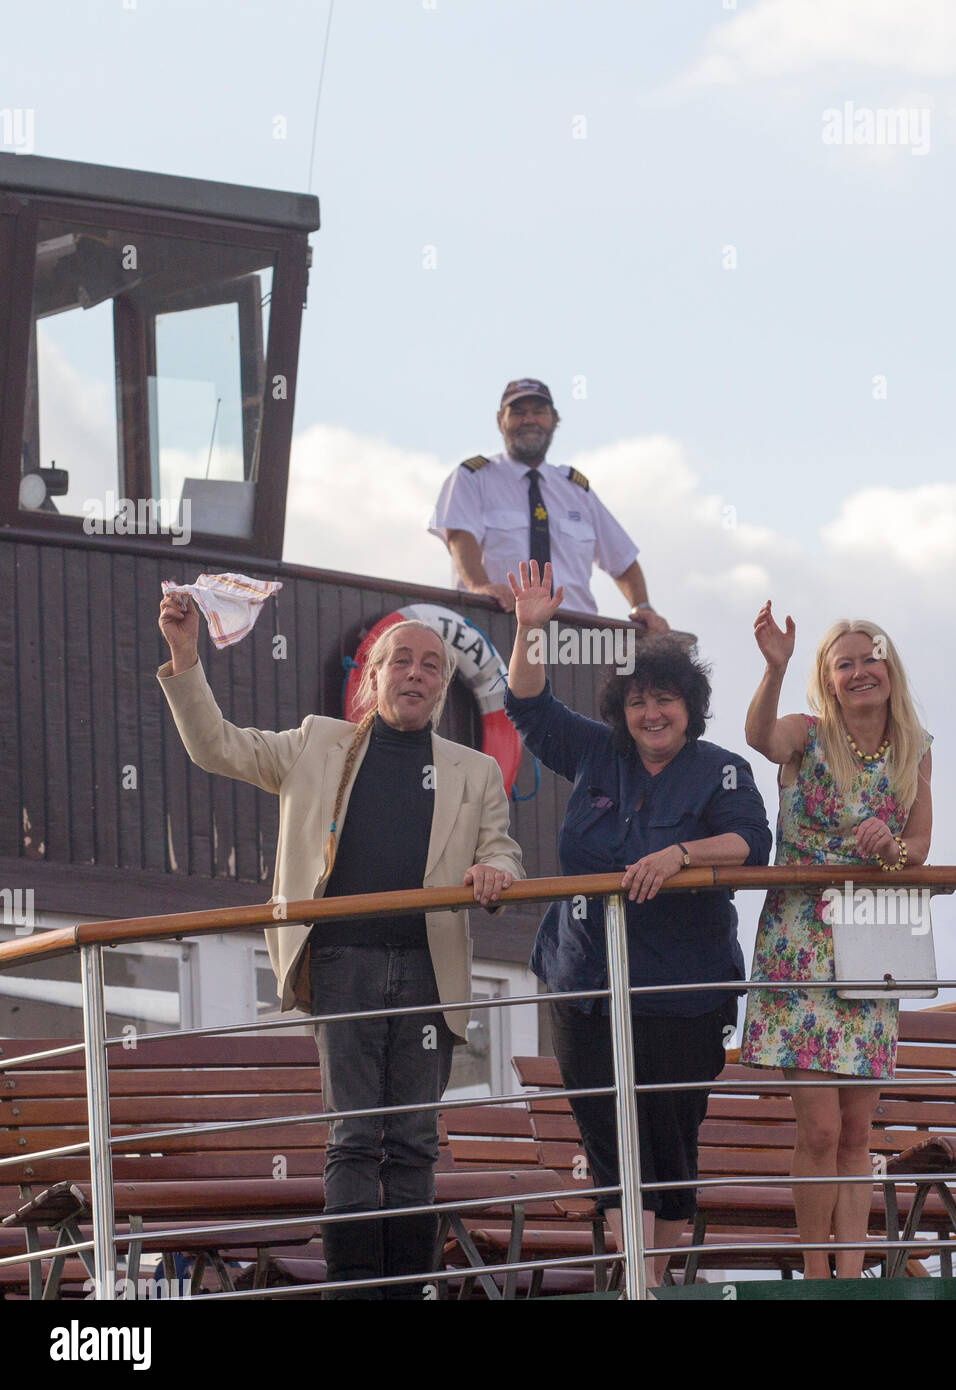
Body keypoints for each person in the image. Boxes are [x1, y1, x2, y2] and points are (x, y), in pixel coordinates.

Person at [156, 596, 524, 1298]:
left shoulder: (474, 771)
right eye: (402, 662)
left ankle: (408, 1289)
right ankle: (355, 1292)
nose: (416, 674)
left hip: (428, 971)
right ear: (373, 678)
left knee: (413, 1143)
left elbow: (502, 850)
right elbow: (217, 746)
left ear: (442, 688)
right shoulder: (316, 743)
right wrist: (185, 656)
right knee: (356, 1138)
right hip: (342, 965)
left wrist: (497, 871)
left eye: (431, 666)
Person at [503, 560, 771, 1285]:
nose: (651, 714)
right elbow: (527, 705)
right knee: (609, 1142)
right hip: (585, 981)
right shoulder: (597, 751)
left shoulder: (720, 770)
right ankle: (638, 1283)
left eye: (666, 702)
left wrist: (680, 852)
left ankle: (664, 1280)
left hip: (681, 992)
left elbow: (751, 842)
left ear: (691, 708)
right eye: (638, 703)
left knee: (669, 1140)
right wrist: (530, 629)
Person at [740, 605, 933, 1278]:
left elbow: (919, 848)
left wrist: (894, 852)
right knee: (818, 1129)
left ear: (890, 667)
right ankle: (817, 1279)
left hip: (874, 938)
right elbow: (759, 735)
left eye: (869, 657)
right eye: (843, 663)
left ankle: (851, 1279)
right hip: (799, 939)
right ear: (828, 679)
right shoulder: (808, 736)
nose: (859, 671)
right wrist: (775, 667)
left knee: (856, 1132)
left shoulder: (916, 748)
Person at [428, 377, 670, 631]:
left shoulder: (577, 490)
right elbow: (460, 538)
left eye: (539, 412)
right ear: (500, 422)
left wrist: (642, 606)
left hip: (575, 637)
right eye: (518, 413)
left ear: (554, 420)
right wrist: (479, 587)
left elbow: (623, 559)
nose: (529, 420)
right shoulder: (473, 478)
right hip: (498, 625)